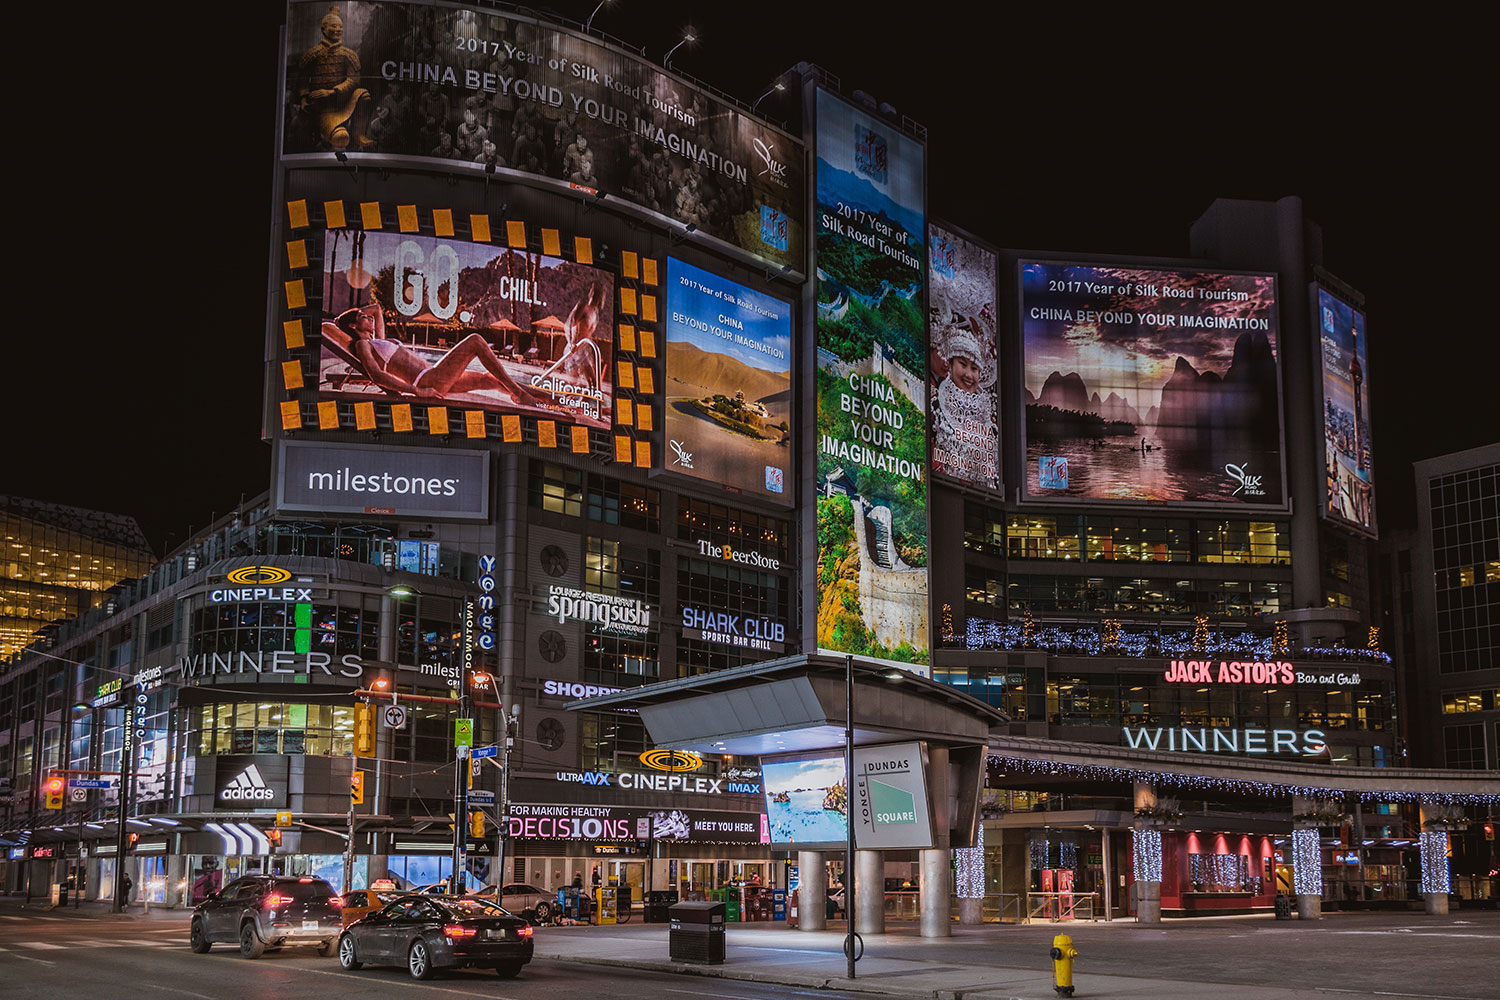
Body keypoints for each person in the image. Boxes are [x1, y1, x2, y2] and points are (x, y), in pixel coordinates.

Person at [334, 303, 550, 408]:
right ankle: (518, 393)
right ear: (353, 325)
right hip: (428, 380)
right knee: (475, 340)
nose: (369, 318)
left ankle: (547, 401)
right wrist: (417, 391)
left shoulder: (376, 340)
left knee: (489, 380)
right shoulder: (363, 345)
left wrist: (357, 314)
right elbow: (377, 376)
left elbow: (377, 309)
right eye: (363, 318)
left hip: (434, 376)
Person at [295, 6, 373, 150]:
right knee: (341, 138)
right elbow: (303, 79)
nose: (338, 29)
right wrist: (304, 97)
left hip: (343, 102)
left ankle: (358, 134)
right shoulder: (313, 54)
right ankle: (335, 134)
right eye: (334, 26)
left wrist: (332, 91)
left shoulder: (347, 54)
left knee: (363, 94)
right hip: (323, 109)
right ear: (324, 29)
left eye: (340, 26)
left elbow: (354, 80)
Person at [931, 320, 997, 484]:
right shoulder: (934, 404)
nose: (969, 374)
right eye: (963, 365)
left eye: (974, 369)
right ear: (951, 365)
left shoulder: (990, 419)